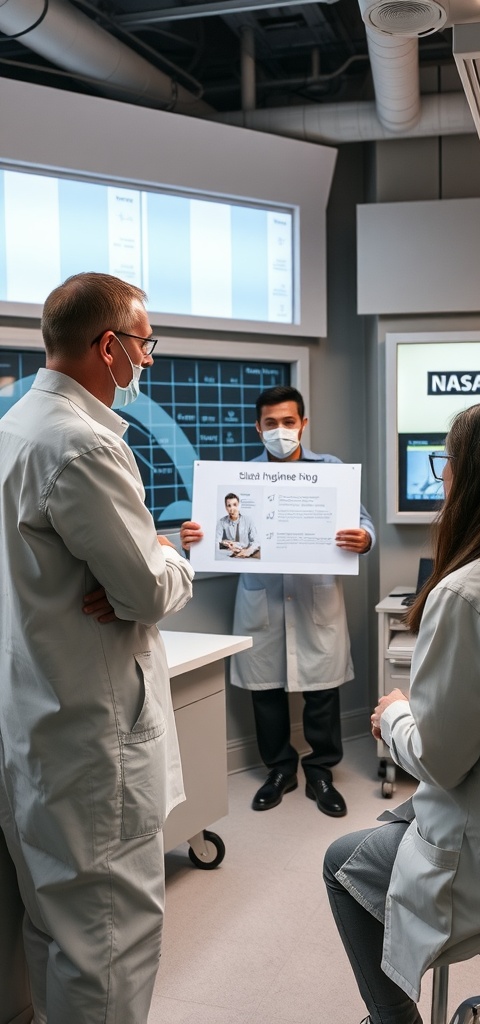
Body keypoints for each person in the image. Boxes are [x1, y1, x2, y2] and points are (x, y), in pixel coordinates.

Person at [323, 400, 480, 1024]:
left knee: (342, 861)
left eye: (447, 465)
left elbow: (442, 760)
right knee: (394, 823)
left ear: (471, 478)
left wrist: (396, 717)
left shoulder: (471, 592)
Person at [0, 272, 195, 1024]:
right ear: (108, 345)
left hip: (38, 724)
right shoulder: (82, 446)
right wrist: (170, 554)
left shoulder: (17, 427)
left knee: (54, 928)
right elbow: (146, 591)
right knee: (108, 947)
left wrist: (130, 572)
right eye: (144, 345)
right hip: (91, 742)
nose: (147, 361)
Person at [181, 384, 375, 817]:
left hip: (315, 599)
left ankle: (321, 772)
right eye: (271, 424)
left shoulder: (331, 470)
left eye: (289, 422)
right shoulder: (239, 479)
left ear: (304, 424)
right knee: (265, 695)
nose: (281, 431)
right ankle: (280, 770)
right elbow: (214, 535)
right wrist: (195, 538)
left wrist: (364, 538)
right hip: (262, 603)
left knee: (322, 693)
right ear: (258, 428)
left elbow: (362, 522)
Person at [216, 491, 259, 558]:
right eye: (229, 506)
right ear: (226, 507)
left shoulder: (248, 520)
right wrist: (226, 545)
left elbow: (256, 541)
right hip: (230, 555)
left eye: (235, 505)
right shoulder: (221, 522)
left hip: (248, 554)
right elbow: (216, 543)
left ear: (239, 505)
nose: (232, 508)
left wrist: (248, 551)